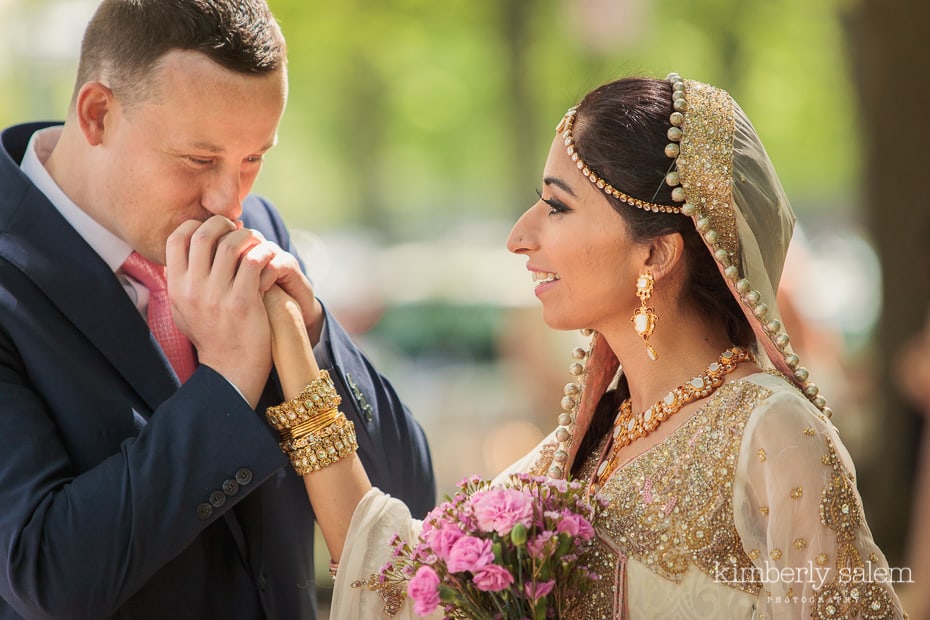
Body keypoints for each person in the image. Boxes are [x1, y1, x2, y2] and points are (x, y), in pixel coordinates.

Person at [262, 74, 906, 619]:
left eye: (556, 206)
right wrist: (297, 343)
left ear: (655, 252)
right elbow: (400, 584)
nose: (519, 237)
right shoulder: (583, 447)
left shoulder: (769, 431)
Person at [0, 1, 435, 618]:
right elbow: (47, 576)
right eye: (200, 160)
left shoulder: (258, 230)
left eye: (254, 158)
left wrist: (314, 340)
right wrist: (229, 381)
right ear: (98, 114)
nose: (229, 200)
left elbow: (411, 501)